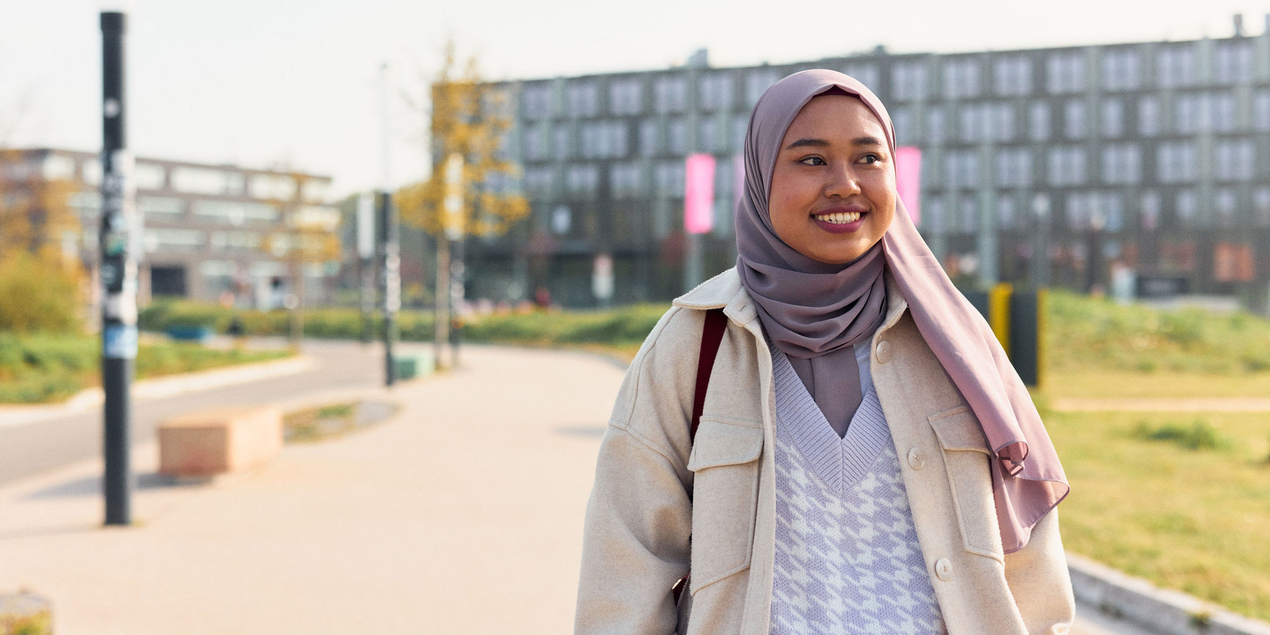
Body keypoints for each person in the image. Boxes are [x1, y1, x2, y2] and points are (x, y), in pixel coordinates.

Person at [574, 70, 1074, 635]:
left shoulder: (951, 339)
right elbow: (625, 570)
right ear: (761, 176)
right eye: (811, 160)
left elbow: (1029, 564)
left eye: (868, 158)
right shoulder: (697, 341)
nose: (844, 184)